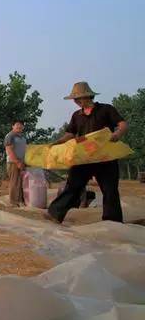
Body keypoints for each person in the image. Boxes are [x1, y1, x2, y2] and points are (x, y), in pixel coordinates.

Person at [45, 82, 128, 224]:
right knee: (73, 185)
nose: (76, 102)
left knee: (110, 190)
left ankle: (112, 221)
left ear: (88, 96)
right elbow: (70, 134)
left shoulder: (106, 109)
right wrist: (57, 143)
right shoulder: (77, 115)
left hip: (105, 157)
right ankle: (54, 213)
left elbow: (122, 124)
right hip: (84, 157)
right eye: (75, 100)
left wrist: (117, 134)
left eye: (79, 99)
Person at [4, 120, 27, 206]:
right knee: (14, 182)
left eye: (21, 125)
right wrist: (17, 162)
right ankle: (13, 202)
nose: (19, 126)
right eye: (17, 125)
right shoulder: (10, 136)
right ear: (12, 126)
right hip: (13, 162)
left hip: (22, 162)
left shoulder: (23, 137)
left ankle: (20, 200)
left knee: (21, 182)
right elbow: (9, 150)